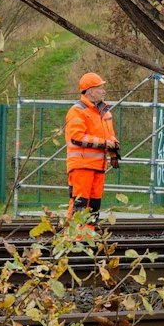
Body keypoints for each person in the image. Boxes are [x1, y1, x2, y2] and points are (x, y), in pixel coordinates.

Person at [65, 71, 120, 219]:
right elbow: (76, 137)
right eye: (100, 87)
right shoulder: (77, 110)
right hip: (82, 165)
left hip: (98, 166)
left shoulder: (104, 113)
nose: (104, 91)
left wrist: (113, 151)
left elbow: (110, 136)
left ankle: (88, 237)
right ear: (90, 91)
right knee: (80, 204)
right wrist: (105, 144)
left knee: (94, 205)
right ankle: (74, 239)